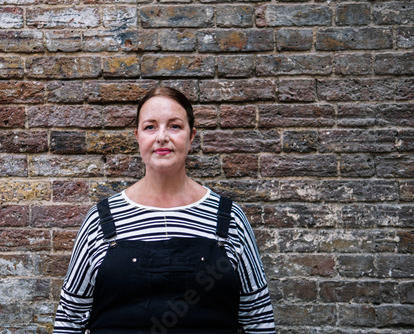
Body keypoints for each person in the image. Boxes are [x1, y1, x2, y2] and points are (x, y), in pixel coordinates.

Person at [53, 87, 276, 334]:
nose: (161, 137)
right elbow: (70, 317)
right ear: (137, 136)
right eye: (150, 127)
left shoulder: (229, 219)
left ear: (191, 137)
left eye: (174, 126)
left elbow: (258, 317)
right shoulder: (102, 220)